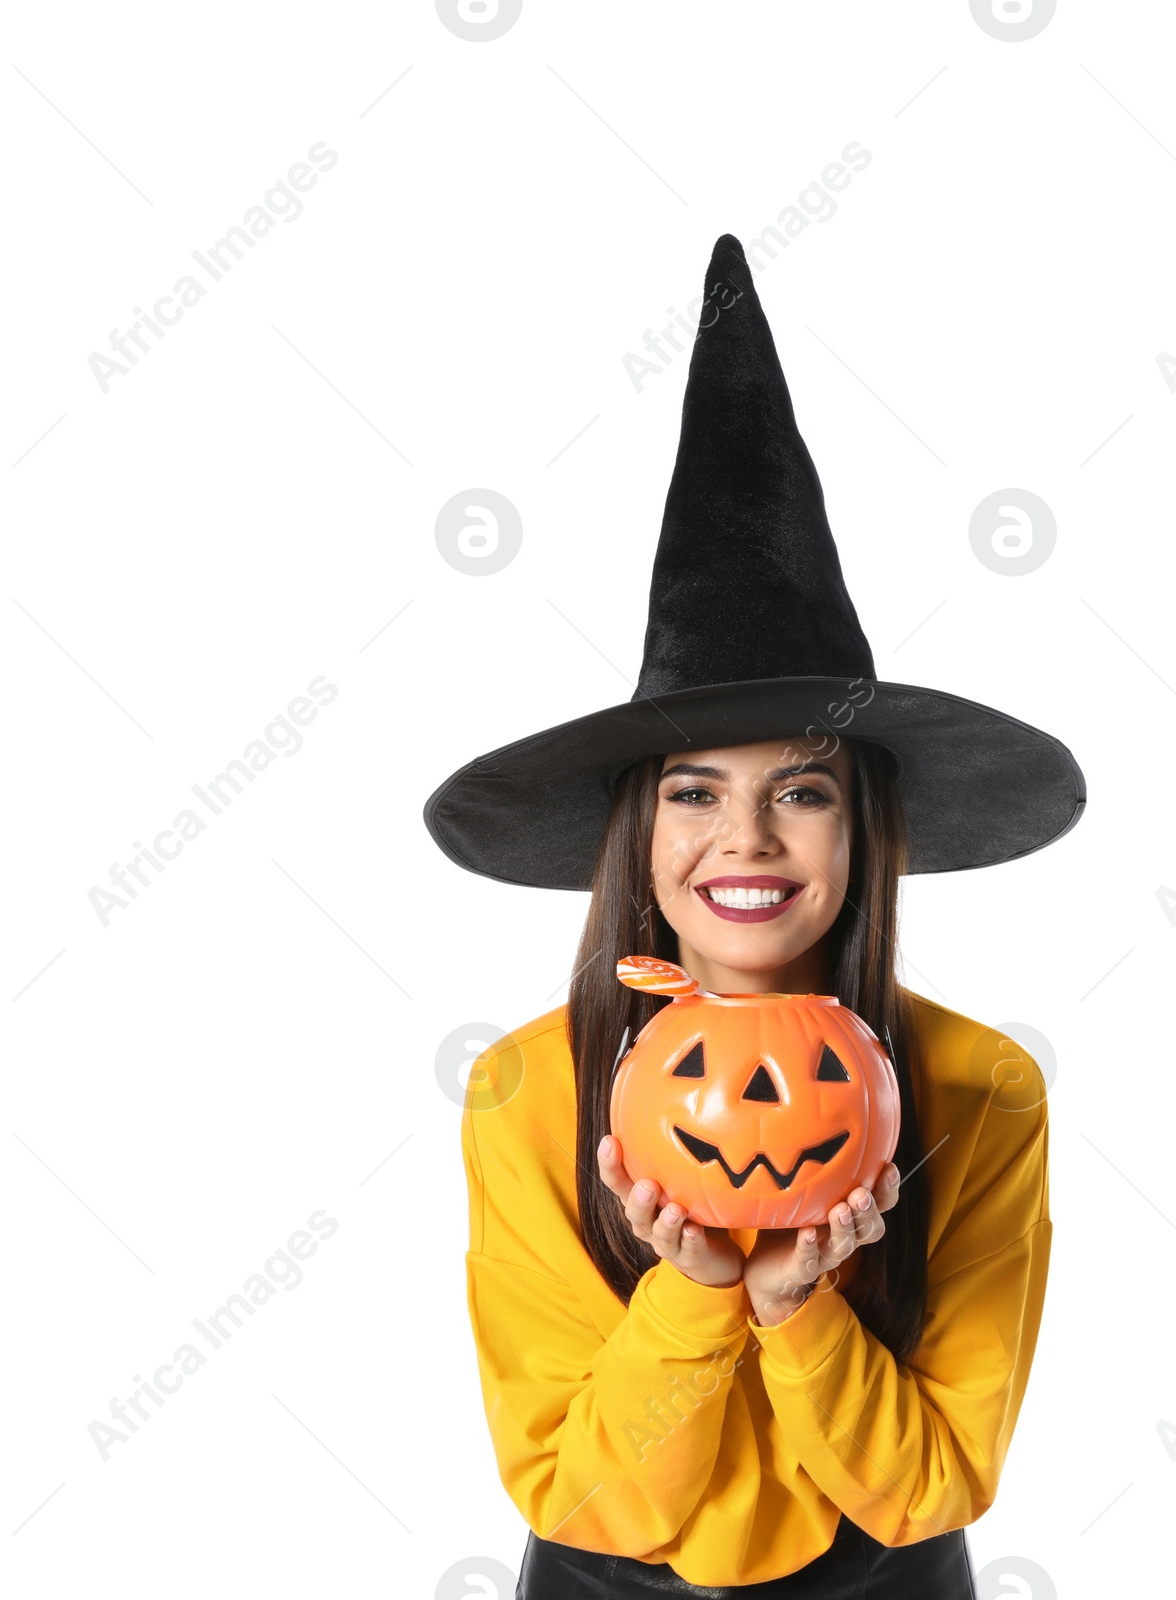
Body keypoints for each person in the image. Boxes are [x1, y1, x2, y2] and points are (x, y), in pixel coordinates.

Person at [424, 235, 1086, 1594]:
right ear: (639, 831)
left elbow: (934, 1484)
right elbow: (583, 1496)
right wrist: (702, 1292)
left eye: (804, 792)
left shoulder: (981, 1087)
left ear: (868, 828)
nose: (745, 841)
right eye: (691, 793)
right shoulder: (526, 1091)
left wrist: (800, 1312)